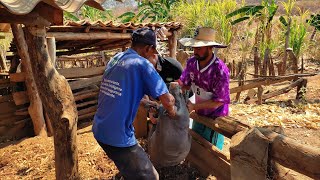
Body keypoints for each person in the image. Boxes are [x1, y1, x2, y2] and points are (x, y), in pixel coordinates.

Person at [92, 27, 176, 180]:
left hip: (100, 129)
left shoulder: (116, 58)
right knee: (151, 177)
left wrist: (150, 105)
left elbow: (125, 94)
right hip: (117, 135)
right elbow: (168, 100)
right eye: (153, 51)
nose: (154, 55)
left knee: (130, 171)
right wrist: (173, 113)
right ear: (147, 48)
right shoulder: (141, 64)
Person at [178, 27, 230, 150]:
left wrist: (194, 106)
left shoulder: (220, 70)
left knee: (211, 150)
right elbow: (185, 83)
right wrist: (178, 90)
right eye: (194, 47)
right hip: (199, 111)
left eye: (199, 48)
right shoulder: (191, 63)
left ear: (210, 48)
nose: (195, 51)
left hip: (215, 116)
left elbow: (218, 102)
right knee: (196, 143)